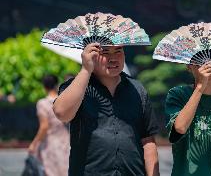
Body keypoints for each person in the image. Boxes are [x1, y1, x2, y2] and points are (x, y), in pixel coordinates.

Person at [53, 43, 160, 176]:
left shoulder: (138, 90)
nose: (113, 58)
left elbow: (148, 141)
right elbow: (62, 114)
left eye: (118, 51)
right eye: (106, 52)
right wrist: (86, 70)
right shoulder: (77, 87)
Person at [28, 74, 70, 176]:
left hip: (50, 144)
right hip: (66, 142)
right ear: (56, 85)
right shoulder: (64, 100)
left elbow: (44, 127)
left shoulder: (43, 103)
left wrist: (34, 144)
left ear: (44, 86)